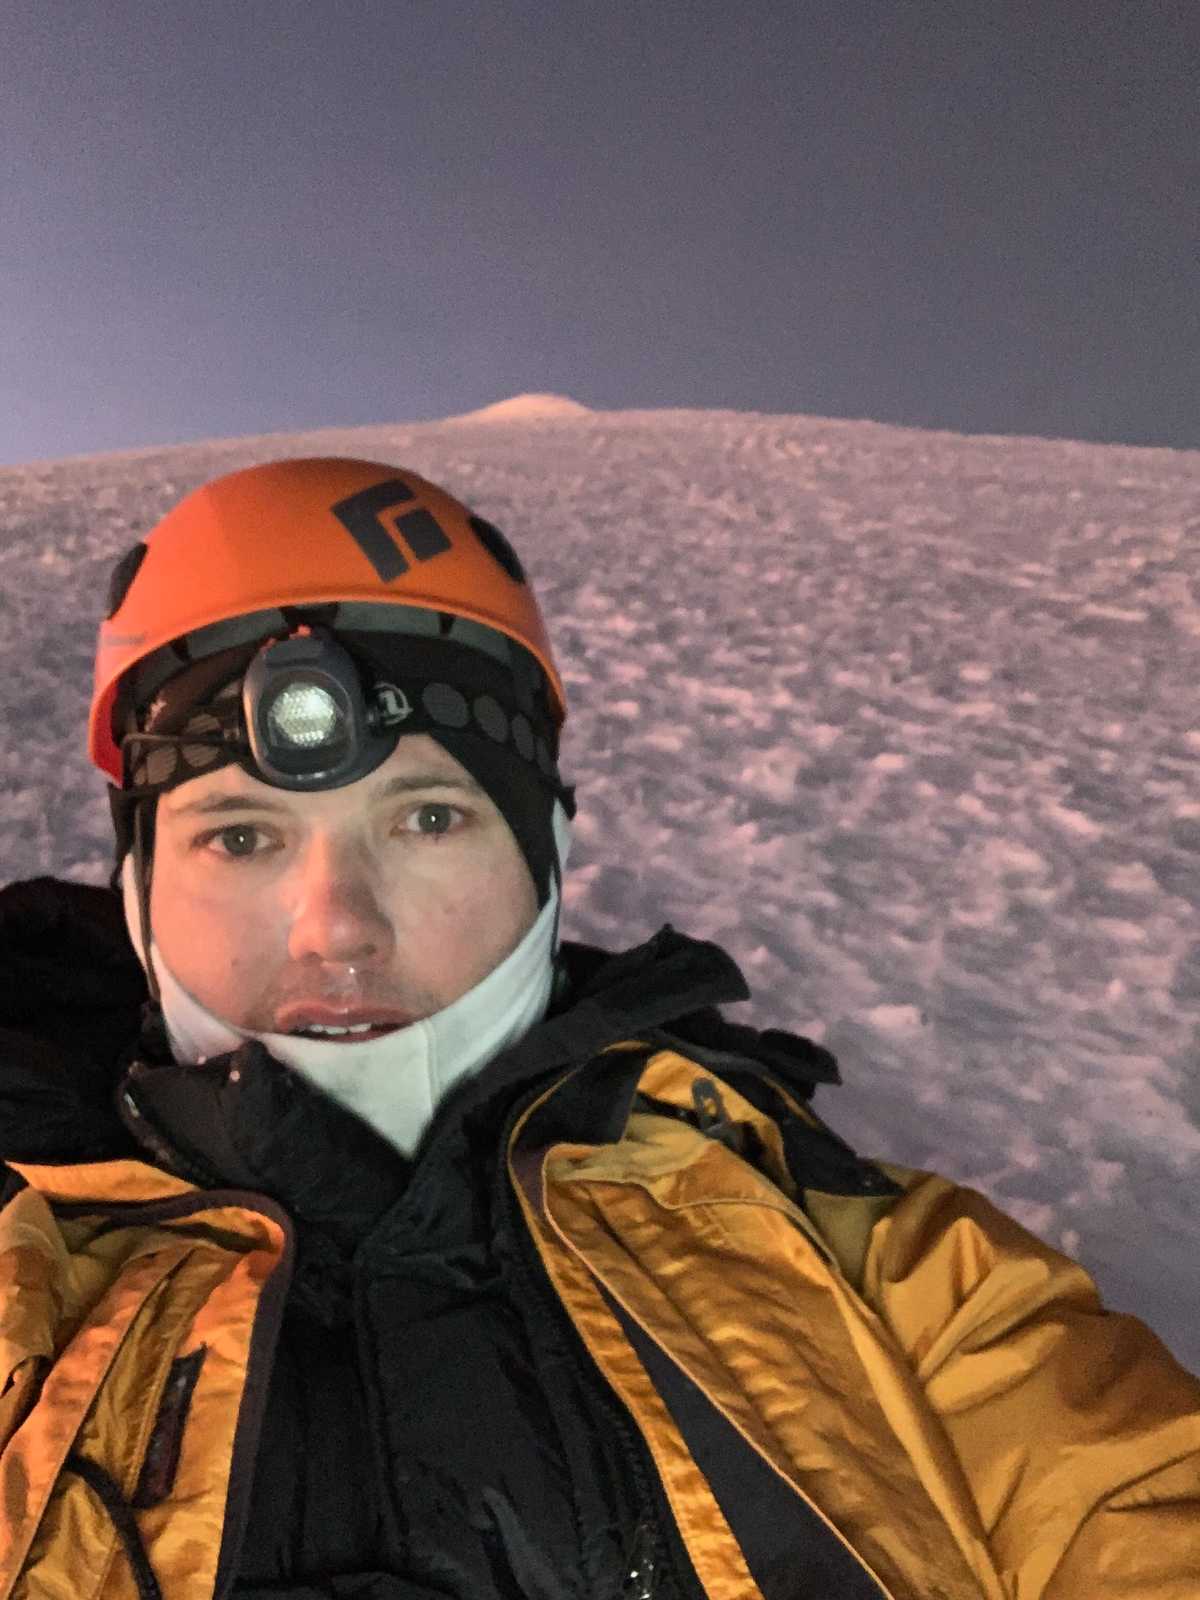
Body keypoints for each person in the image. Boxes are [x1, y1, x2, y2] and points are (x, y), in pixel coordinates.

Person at [0, 456, 1196, 1600]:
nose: (337, 931)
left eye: (427, 817)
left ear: (548, 863)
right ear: (136, 888)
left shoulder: (880, 1265)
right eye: (241, 836)